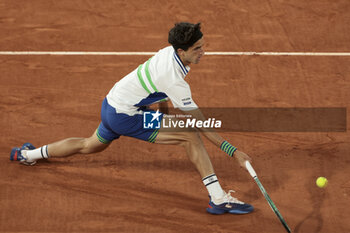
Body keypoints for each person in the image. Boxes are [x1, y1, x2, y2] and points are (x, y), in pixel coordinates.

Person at [10, 22, 254, 215]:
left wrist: (163, 114)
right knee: (189, 136)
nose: (203, 52)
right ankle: (218, 199)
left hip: (113, 105)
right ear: (182, 50)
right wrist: (231, 150)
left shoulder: (169, 54)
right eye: (197, 48)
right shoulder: (174, 78)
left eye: (202, 45)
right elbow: (197, 120)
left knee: (89, 145)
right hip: (126, 116)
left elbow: (157, 88)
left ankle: (27, 155)